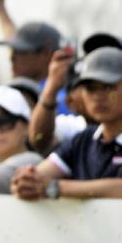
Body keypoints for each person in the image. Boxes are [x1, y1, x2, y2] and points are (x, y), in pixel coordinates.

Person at [11, 47, 122, 199]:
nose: (98, 96)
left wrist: (56, 187)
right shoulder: (83, 140)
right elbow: (40, 175)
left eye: (108, 87)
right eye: (91, 88)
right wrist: (27, 181)